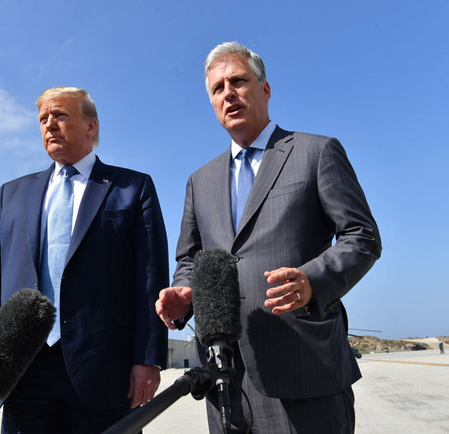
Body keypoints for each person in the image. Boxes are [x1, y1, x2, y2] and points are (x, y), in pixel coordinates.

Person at [155, 42, 381, 433]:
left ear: (265, 89)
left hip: (306, 369)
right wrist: (183, 291)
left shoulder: (316, 151)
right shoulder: (199, 181)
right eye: (217, 88)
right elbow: (189, 258)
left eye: (238, 81)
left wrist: (312, 280)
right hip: (226, 380)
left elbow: (361, 236)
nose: (228, 93)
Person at [0, 87, 169, 433]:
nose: (49, 125)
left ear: (91, 126)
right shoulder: (9, 195)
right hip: (23, 371)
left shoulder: (133, 188)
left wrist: (148, 359)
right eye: (43, 119)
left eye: (60, 115)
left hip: (104, 370)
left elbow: (150, 278)